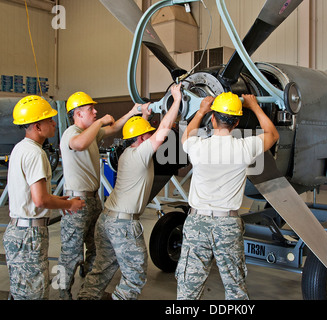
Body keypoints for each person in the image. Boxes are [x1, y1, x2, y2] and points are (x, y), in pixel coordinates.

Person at [77, 83, 182, 300]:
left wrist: (143, 114)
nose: (150, 136)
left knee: (100, 271)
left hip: (106, 220)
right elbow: (162, 131)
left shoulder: (127, 153)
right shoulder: (143, 153)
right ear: (143, 138)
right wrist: (177, 99)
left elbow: (139, 133)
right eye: (147, 134)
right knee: (135, 276)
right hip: (124, 225)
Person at [176, 92, 279, 300]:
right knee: (235, 290)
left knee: (188, 290)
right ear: (237, 122)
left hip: (197, 223)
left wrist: (201, 111)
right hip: (228, 225)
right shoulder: (244, 147)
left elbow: (186, 137)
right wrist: (255, 106)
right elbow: (272, 134)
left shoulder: (198, 147)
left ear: (213, 119)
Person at [58, 91, 141, 299]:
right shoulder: (71, 133)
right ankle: (61, 292)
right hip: (76, 202)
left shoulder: (90, 132)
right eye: (90, 110)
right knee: (69, 254)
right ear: (77, 114)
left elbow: (114, 128)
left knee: (95, 249)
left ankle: (88, 291)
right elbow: (79, 144)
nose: (95, 112)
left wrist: (133, 111)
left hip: (93, 200)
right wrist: (101, 121)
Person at [3, 95, 85, 300]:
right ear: (38, 127)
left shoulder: (20, 148)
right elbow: (40, 200)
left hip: (18, 231)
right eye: (49, 120)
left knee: (21, 291)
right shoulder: (35, 154)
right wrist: (70, 204)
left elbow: (33, 196)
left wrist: (60, 201)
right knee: (34, 294)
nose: (54, 123)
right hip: (30, 234)